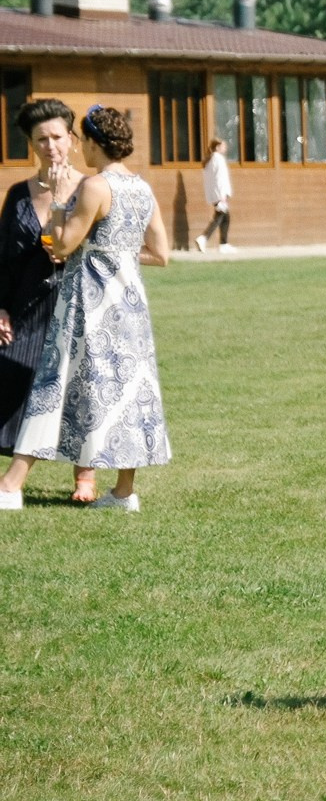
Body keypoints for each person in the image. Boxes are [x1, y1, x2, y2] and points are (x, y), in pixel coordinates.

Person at [0, 106, 171, 513]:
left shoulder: (96, 186)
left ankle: (10, 485)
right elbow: (160, 253)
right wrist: (115, 253)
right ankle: (124, 493)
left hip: (89, 304)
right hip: (129, 303)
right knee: (126, 389)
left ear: (93, 143)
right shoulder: (143, 188)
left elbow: (61, 245)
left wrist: (59, 202)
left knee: (53, 385)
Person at [0, 100, 92, 503]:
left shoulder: (92, 188)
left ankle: (84, 477)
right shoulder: (18, 194)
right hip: (24, 306)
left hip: (74, 301)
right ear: (31, 144)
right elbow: (3, 257)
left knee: (78, 383)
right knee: (13, 376)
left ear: (71, 141)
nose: (51, 146)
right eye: (42, 139)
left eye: (57, 137)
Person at [196, 138, 235, 253]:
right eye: (223, 146)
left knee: (224, 217)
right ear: (217, 147)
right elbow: (220, 179)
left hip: (214, 193)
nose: (225, 148)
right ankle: (204, 238)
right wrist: (222, 195)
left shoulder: (210, 160)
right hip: (220, 194)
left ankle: (223, 244)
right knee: (219, 218)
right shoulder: (218, 159)